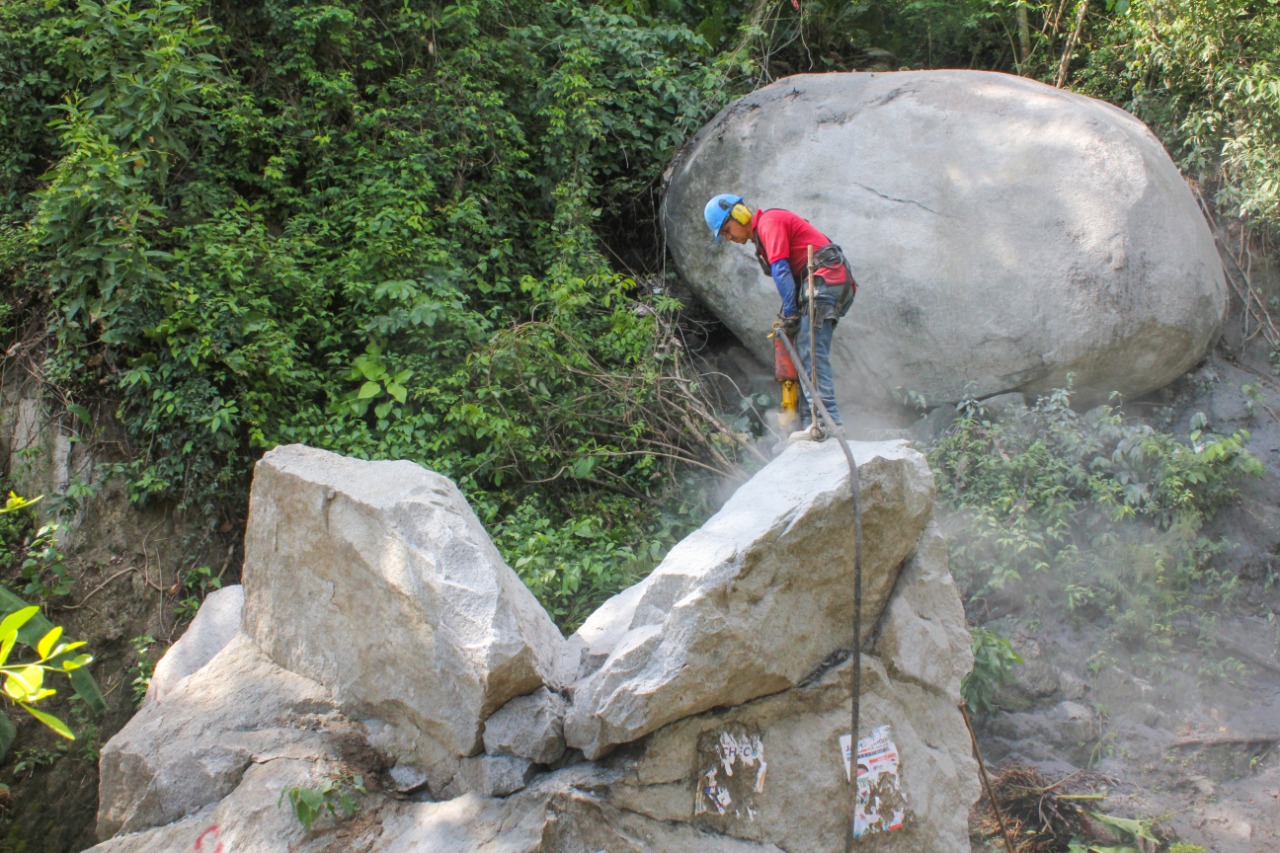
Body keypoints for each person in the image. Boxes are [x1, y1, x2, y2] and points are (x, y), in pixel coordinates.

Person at [704, 193, 855, 435]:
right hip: (825, 283)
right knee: (805, 351)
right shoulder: (763, 235)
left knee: (810, 349)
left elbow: (782, 269)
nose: (729, 237)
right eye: (724, 235)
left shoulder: (769, 223)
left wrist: (791, 312)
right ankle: (811, 424)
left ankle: (829, 422)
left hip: (826, 280)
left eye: (726, 230)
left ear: (739, 214)